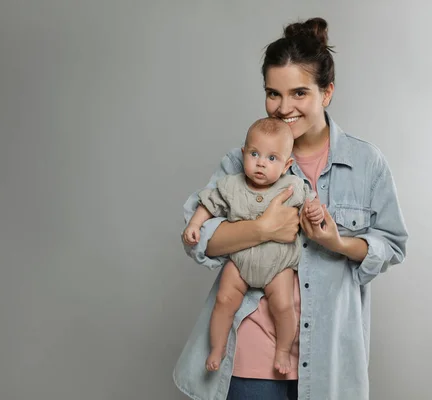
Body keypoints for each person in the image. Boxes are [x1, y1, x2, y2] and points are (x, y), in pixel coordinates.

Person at [174, 17, 408, 400]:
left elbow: (392, 246)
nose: (283, 108)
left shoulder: (366, 164)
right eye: (273, 94)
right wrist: (263, 228)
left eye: (299, 93)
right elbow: (198, 241)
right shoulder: (244, 161)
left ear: (326, 92)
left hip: (328, 364)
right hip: (250, 362)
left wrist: (339, 243)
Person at [182, 117, 323, 374]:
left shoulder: (292, 186)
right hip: (240, 261)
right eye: (255, 154)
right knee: (224, 300)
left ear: (286, 165)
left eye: (272, 158)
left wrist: (314, 211)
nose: (261, 163)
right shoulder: (230, 185)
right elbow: (208, 204)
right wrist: (194, 224)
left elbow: (310, 202)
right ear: (244, 153)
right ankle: (217, 347)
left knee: (283, 305)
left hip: (278, 264)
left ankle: (282, 350)